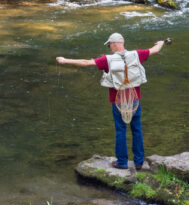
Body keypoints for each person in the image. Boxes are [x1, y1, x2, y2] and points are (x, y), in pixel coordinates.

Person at [56, 33, 165, 170]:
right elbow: (155, 50)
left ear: (114, 43)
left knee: (121, 130)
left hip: (118, 101)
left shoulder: (108, 59)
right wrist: (160, 42)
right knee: (137, 129)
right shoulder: (137, 54)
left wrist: (65, 60)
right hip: (135, 100)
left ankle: (122, 162)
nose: (109, 47)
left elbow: (86, 63)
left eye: (109, 45)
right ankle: (138, 162)